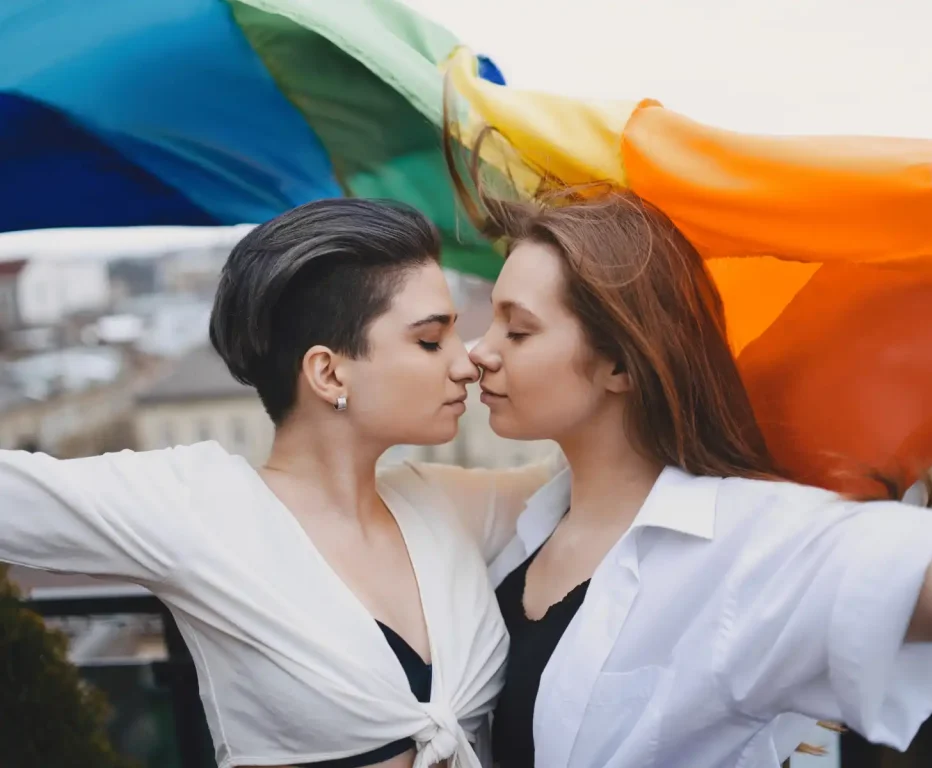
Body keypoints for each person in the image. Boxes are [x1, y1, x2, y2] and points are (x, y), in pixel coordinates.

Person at [417, 125, 932, 768]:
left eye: (518, 331)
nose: (480, 352)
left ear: (621, 364)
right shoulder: (521, 522)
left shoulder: (747, 546)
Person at [0, 198, 554, 768]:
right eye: (432, 341)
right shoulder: (202, 509)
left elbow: (595, 462)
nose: (466, 364)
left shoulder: (444, 503)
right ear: (328, 372)